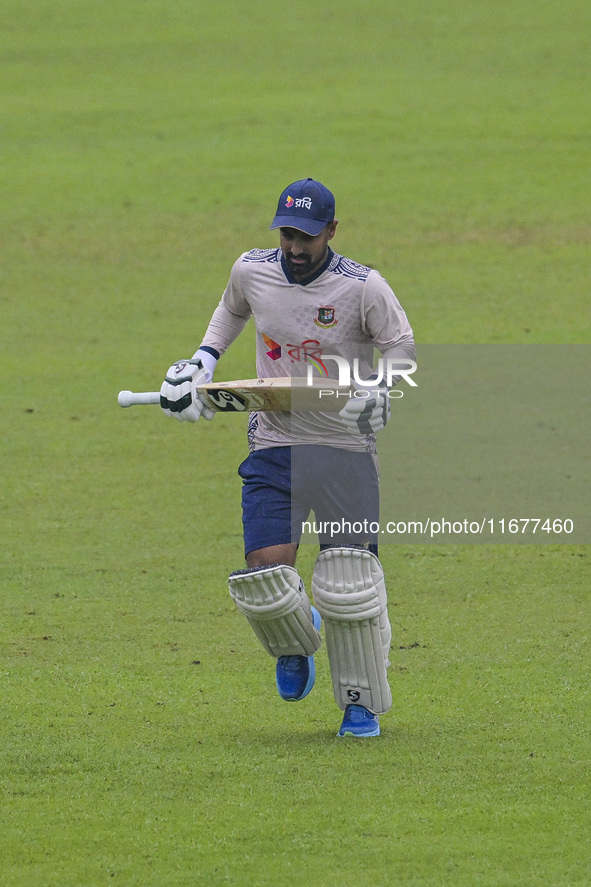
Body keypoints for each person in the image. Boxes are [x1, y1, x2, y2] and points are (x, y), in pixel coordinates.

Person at [160, 178, 415, 737]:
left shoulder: (363, 287)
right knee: (267, 579)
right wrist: (202, 361)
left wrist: (380, 386)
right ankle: (296, 642)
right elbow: (231, 311)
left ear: (330, 230)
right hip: (275, 445)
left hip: (346, 452)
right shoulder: (253, 269)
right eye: (286, 234)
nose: (294, 248)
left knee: (350, 584)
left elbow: (402, 349)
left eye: (305, 236)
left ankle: (359, 705)